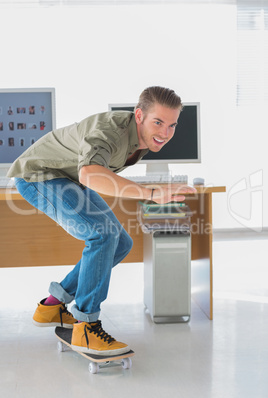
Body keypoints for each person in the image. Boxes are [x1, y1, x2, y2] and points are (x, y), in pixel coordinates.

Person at [7, 86, 196, 356]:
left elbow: (92, 174)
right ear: (139, 115)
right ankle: (86, 326)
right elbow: (89, 175)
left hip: (65, 179)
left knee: (120, 242)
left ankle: (52, 305)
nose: (165, 133)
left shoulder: (138, 140)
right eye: (158, 122)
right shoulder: (111, 130)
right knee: (103, 234)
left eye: (172, 125)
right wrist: (151, 194)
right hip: (39, 176)